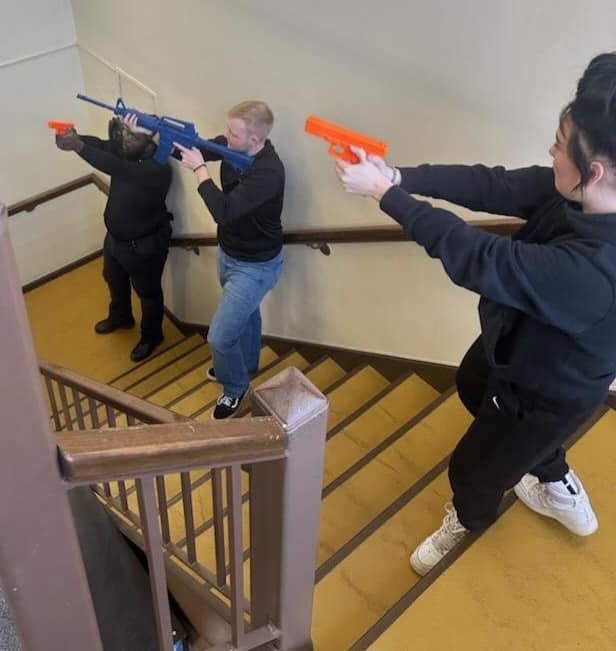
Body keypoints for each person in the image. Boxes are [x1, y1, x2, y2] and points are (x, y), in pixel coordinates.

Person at [334, 52, 616, 575]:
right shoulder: (583, 198)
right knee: (469, 382)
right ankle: (548, 472)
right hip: (517, 345)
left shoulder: (597, 271)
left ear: (593, 170)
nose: (549, 151)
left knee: (472, 471)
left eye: (558, 144)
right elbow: (496, 185)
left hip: (544, 393)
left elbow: (482, 258)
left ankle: (471, 517)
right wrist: (399, 175)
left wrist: (386, 196)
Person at [173, 101, 285, 419]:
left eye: (232, 133)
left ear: (253, 140)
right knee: (246, 316)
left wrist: (199, 170)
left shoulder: (269, 172)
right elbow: (190, 149)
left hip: (257, 265)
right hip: (230, 253)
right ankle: (246, 365)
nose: (224, 137)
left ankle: (235, 389)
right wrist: (153, 132)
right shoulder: (230, 146)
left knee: (220, 337)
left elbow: (224, 211)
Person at [55, 114, 172, 362]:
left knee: (148, 294)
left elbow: (117, 167)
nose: (125, 141)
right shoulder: (128, 151)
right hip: (115, 240)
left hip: (143, 245)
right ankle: (121, 317)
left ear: (152, 142)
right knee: (113, 278)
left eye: (133, 136)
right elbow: (102, 146)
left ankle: (152, 336)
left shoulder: (157, 169)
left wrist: (78, 147)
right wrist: (76, 139)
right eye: (125, 134)